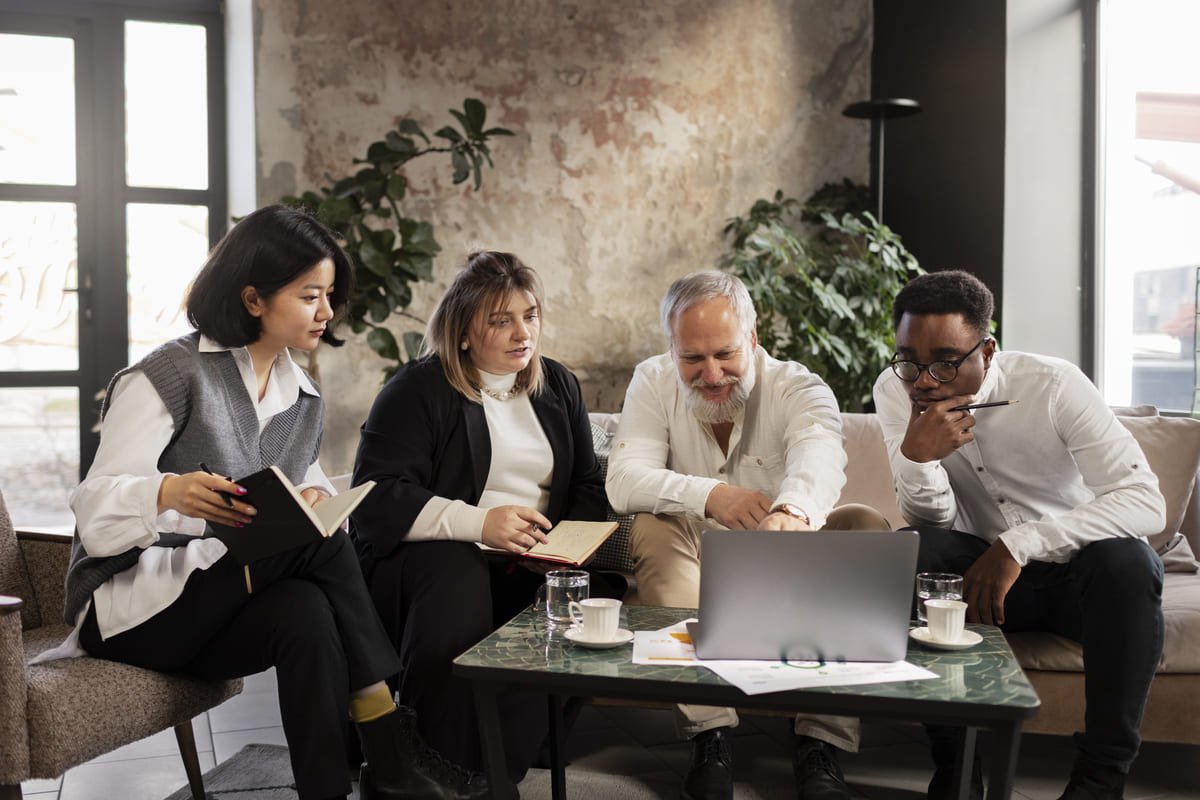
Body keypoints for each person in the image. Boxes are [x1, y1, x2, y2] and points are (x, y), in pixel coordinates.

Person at [56, 205, 485, 800]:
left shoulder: (300, 397)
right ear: (253, 299)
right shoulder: (168, 376)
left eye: (330, 294)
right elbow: (93, 508)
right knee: (319, 546)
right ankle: (390, 754)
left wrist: (310, 497)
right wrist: (166, 491)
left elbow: (304, 502)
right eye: (311, 295)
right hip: (132, 609)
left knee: (305, 612)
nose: (328, 312)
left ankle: (330, 789)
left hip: (217, 600)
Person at [872, 270, 1166, 800]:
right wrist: (918, 457)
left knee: (1130, 563)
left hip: (1082, 582)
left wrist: (1020, 544)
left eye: (944, 360)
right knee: (913, 550)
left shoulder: (1052, 385)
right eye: (909, 360)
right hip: (985, 586)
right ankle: (957, 771)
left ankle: (1101, 778)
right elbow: (932, 520)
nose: (924, 380)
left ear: (986, 349)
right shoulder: (896, 392)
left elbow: (1144, 501)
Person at [605, 270, 890, 800]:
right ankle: (709, 735)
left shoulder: (799, 386)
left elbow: (821, 454)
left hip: (792, 563)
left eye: (725, 354)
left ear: (753, 341)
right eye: (692, 358)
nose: (711, 374)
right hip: (692, 558)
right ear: (670, 351)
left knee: (866, 528)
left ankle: (819, 742)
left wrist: (794, 511)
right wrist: (713, 495)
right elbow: (623, 481)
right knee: (650, 525)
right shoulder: (651, 381)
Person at [350, 251, 617, 782]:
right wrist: (480, 524)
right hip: (424, 565)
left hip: (528, 562)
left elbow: (587, 483)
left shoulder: (557, 385)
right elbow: (376, 497)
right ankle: (440, 767)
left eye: (531, 315)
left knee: (587, 587)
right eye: (502, 320)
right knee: (458, 572)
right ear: (464, 331)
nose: (523, 333)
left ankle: (493, 767)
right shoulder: (417, 390)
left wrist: (559, 549)